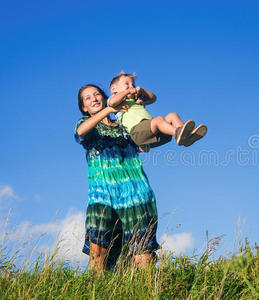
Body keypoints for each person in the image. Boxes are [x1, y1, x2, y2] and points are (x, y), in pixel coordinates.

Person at [75, 84, 160, 271]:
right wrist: (109, 109)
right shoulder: (87, 125)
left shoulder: (124, 126)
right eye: (88, 98)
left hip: (134, 192)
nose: (94, 99)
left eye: (97, 94)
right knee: (98, 252)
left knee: (142, 249)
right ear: (84, 107)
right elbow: (81, 132)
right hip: (102, 194)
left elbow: (143, 143)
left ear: (105, 97)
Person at [108, 71, 207, 151]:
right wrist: (128, 91)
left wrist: (141, 90)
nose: (132, 86)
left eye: (133, 84)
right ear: (114, 89)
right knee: (159, 120)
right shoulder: (118, 101)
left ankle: (185, 136)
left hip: (154, 133)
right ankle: (177, 132)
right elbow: (112, 102)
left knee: (172, 115)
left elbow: (153, 98)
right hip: (137, 132)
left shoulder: (136, 101)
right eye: (127, 84)